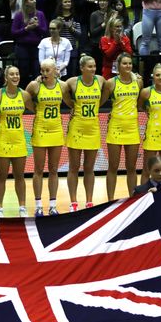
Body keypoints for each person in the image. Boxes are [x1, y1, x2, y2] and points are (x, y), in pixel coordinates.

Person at [0, 65, 36, 217]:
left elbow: (36, 110)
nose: (15, 77)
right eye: (12, 74)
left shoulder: (25, 95)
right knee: (1, 176)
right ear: (6, 78)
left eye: (17, 74)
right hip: (3, 140)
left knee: (20, 176)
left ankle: (22, 207)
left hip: (19, 139)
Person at [26, 58, 73, 216]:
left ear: (55, 71)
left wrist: (75, 109)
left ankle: (53, 205)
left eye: (47, 70)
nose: (44, 73)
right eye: (42, 70)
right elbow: (24, 99)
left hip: (56, 131)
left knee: (53, 170)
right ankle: (38, 205)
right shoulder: (35, 85)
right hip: (40, 130)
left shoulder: (62, 86)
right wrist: (35, 110)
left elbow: (70, 102)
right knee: (38, 170)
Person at [64, 55, 105, 210]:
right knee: (74, 167)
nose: (93, 69)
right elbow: (60, 90)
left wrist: (135, 76)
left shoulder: (100, 81)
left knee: (89, 168)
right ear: (82, 68)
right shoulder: (72, 82)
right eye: (90, 66)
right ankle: (73, 202)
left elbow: (110, 89)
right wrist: (71, 105)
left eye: (94, 66)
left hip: (93, 128)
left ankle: (89, 201)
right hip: (77, 127)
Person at [101, 52, 143, 200]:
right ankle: (110, 200)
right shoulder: (111, 83)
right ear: (118, 66)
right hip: (115, 126)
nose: (128, 66)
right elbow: (100, 102)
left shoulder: (138, 81)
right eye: (124, 63)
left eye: (130, 63)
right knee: (113, 167)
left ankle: (133, 199)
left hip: (132, 127)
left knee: (131, 168)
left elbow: (139, 104)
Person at [12, 0, 48, 85]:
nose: (34, 1)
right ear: (26, 2)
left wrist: (37, 26)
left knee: (36, 70)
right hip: (22, 47)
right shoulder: (19, 15)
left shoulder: (40, 14)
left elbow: (44, 31)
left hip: (36, 47)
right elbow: (13, 32)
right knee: (23, 70)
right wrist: (26, 29)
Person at [53, 0, 81, 77]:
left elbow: (79, 35)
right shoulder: (55, 17)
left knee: (72, 73)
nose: (68, 3)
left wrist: (71, 28)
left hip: (72, 47)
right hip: (59, 48)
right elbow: (52, 33)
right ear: (61, 4)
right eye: (65, 2)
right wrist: (58, 25)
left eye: (69, 2)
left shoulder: (75, 16)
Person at [88, 0, 111, 75]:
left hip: (110, 45)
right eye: (100, 0)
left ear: (108, 2)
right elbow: (92, 32)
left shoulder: (112, 13)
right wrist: (103, 25)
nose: (102, 2)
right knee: (98, 70)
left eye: (104, 0)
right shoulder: (94, 14)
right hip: (97, 45)